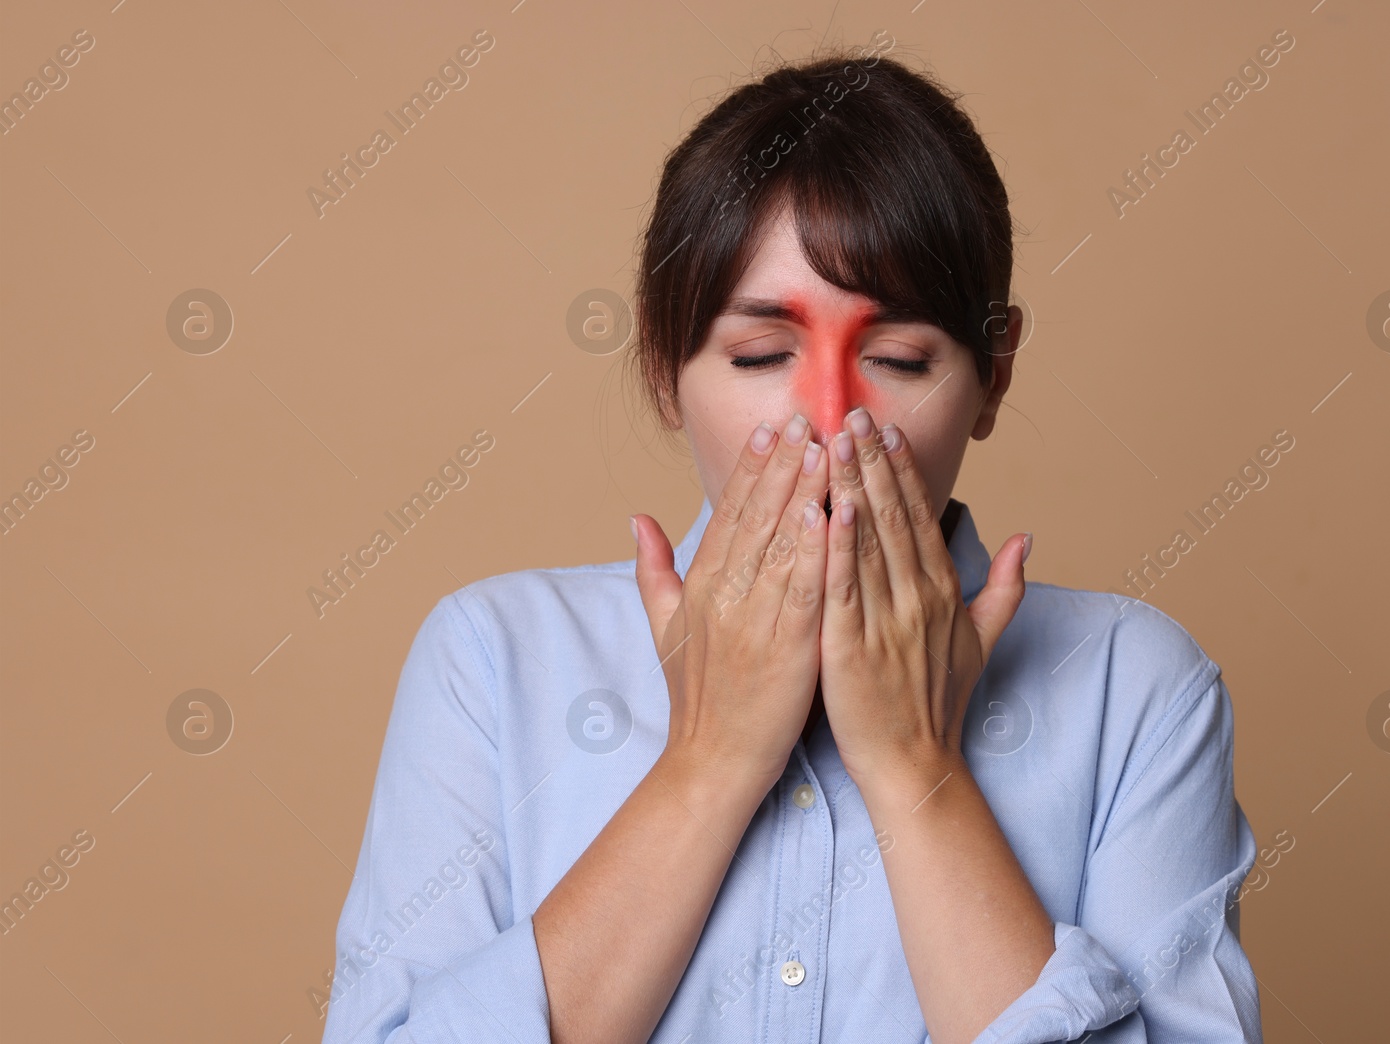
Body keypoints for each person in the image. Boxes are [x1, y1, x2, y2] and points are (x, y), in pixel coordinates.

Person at [320, 44, 1263, 1044]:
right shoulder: (493, 659)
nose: (827, 416)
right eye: (761, 354)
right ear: (659, 364)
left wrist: (917, 769)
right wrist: (710, 759)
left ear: (994, 373)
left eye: (900, 357)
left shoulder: (1138, 690)